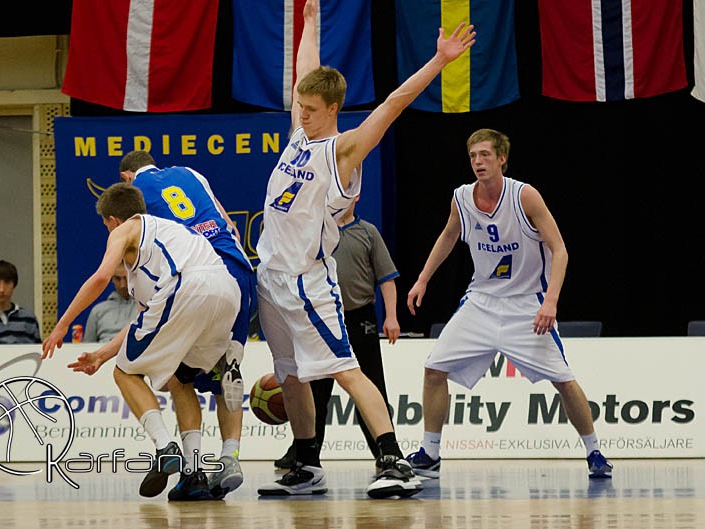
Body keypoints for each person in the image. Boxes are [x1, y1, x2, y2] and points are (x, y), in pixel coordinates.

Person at [254, 0, 474, 499]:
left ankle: (393, 459)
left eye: (311, 109)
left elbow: (393, 103)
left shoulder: (342, 150)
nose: (302, 114)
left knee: (347, 370)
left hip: (308, 281)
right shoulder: (298, 137)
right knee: (291, 376)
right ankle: (306, 464)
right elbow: (305, 72)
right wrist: (310, 23)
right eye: (300, 107)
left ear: (333, 109)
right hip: (271, 279)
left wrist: (439, 61)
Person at [405, 128, 613, 479]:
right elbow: (449, 235)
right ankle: (431, 453)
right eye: (473, 156)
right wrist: (423, 278)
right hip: (482, 302)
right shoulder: (462, 198)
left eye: (485, 155)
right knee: (433, 369)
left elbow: (560, 250)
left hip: (526, 304)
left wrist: (551, 301)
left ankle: (595, 452)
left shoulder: (524, 196)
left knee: (563, 380)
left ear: (502, 158)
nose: (478, 162)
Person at [41, 183, 241, 501]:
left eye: (106, 225)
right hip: (226, 294)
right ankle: (193, 474)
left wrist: (62, 324)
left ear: (113, 220)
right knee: (181, 378)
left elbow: (100, 277)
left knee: (124, 373)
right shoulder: (168, 237)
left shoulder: (126, 229)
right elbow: (144, 319)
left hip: (187, 288)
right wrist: (102, 354)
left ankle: (164, 447)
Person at [118, 150, 256, 499]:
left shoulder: (136, 197)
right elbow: (227, 221)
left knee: (181, 379)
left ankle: (191, 470)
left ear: (126, 178)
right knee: (227, 374)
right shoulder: (191, 173)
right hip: (238, 269)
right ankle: (230, 457)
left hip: (198, 273)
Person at [274, 196, 401, 469]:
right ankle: (305, 452)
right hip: (325, 317)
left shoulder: (368, 232)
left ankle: (385, 451)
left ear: (356, 197)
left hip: (360, 318)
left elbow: (387, 278)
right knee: (316, 391)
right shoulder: (317, 233)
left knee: (371, 383)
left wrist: (391, 316)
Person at [83, 265, 137, 343]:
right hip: (104, 349)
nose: (122, 285)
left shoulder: (145, 307)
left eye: (126, 278)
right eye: (118, 278)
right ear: (112, 279)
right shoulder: (98, 311)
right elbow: (86, 345)